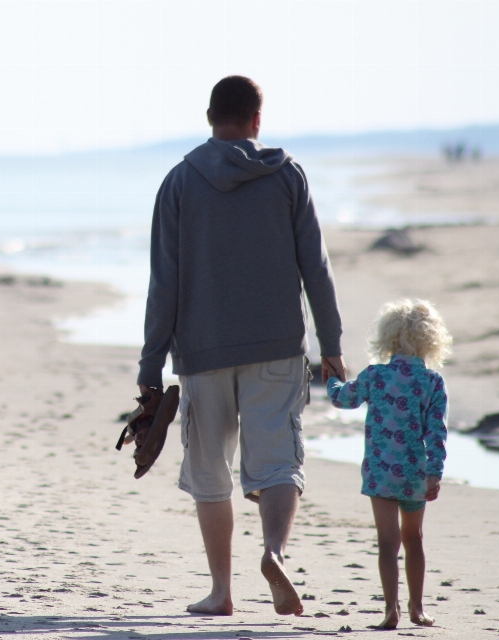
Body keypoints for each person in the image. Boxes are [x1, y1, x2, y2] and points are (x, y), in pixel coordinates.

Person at [137, 75, 346, 617]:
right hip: (278, 345)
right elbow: (315, 268)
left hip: (202, 352)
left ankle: (221, 592)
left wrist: (150, 365)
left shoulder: (180, 182)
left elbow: (165, 282)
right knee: (277, 462)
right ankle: (274, 551)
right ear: (257, 120)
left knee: (211, 470)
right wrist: (332, 343)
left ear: (209, 117)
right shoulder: (287, 175)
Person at [326, 299, 451, 629]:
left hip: (381, 472)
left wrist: (331, 379)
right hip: (414, 475)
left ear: (388, 337)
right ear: (431, 340)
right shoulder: (432, 382)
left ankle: (390, 610)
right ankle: (418, 608)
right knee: (414, 540)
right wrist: (434, 473)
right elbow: (436, 432)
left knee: (386, 543)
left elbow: (343, 398)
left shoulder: (375, 376)